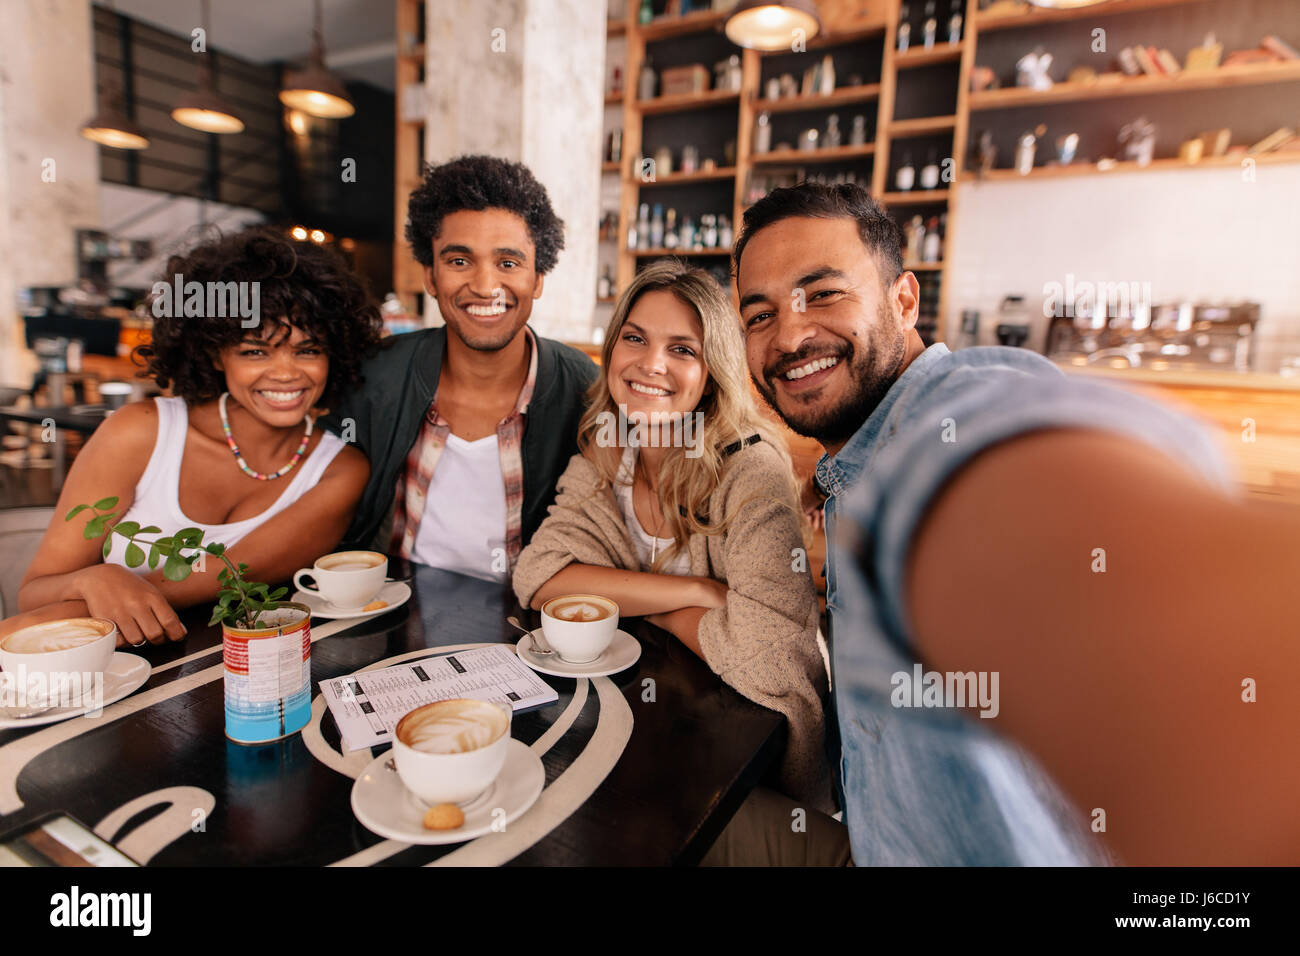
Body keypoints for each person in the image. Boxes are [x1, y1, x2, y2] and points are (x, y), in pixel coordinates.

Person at [734, 181, 1299, 866]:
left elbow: (1000, 470)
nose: (790, 335)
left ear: (905, 300)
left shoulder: (945, 419)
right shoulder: (848, 466)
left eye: (823, 293)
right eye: (759, 315)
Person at [512, 260, 847, 865]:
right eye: (635, 337)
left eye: (682, 348)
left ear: (713, 373)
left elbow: (768, 656)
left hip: (750, 773)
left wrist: (647, 609)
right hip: (645, 740)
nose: (651, 364)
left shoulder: (751, 470)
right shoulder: (604, 450)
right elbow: (539, 577)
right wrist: (694, 590)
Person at [11, 227, 380, 648]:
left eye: (308, 350)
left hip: (238, 682)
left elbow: (218, 578)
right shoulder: (139, 434)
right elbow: (31, 594)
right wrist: (96, 578)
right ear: (213, 351)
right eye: (255, 351)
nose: (285, 372)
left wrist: (105, 596)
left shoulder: (339, 471)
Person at [321, 155, 598, 584]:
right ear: (431, 276)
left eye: (508, 263)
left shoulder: (583, 388)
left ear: (538, 278)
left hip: (528, 627)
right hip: (391, 613)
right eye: (459, 261)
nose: (485, 286)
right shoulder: (375, 374)